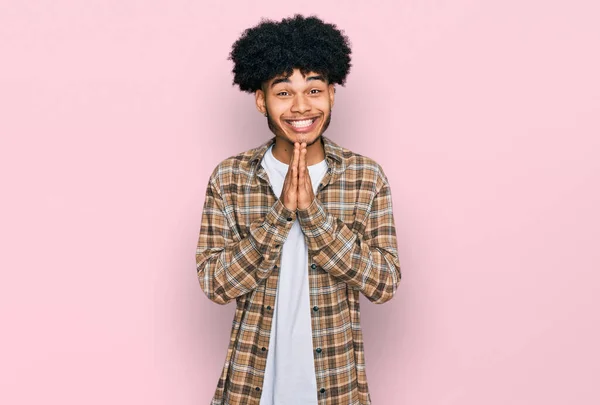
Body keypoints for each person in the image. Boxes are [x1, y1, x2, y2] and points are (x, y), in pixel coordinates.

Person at [196, 14, 401, 405]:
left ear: (332, 96)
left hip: (336, 387)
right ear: (261, 101)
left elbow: (385, 282)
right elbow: (214, 284)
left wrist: (313, 216)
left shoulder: (364, 176)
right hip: (250, 386)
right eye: (284, 92)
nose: (301, 107)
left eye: (314, 90)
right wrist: (280, 215)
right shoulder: (231, 178)